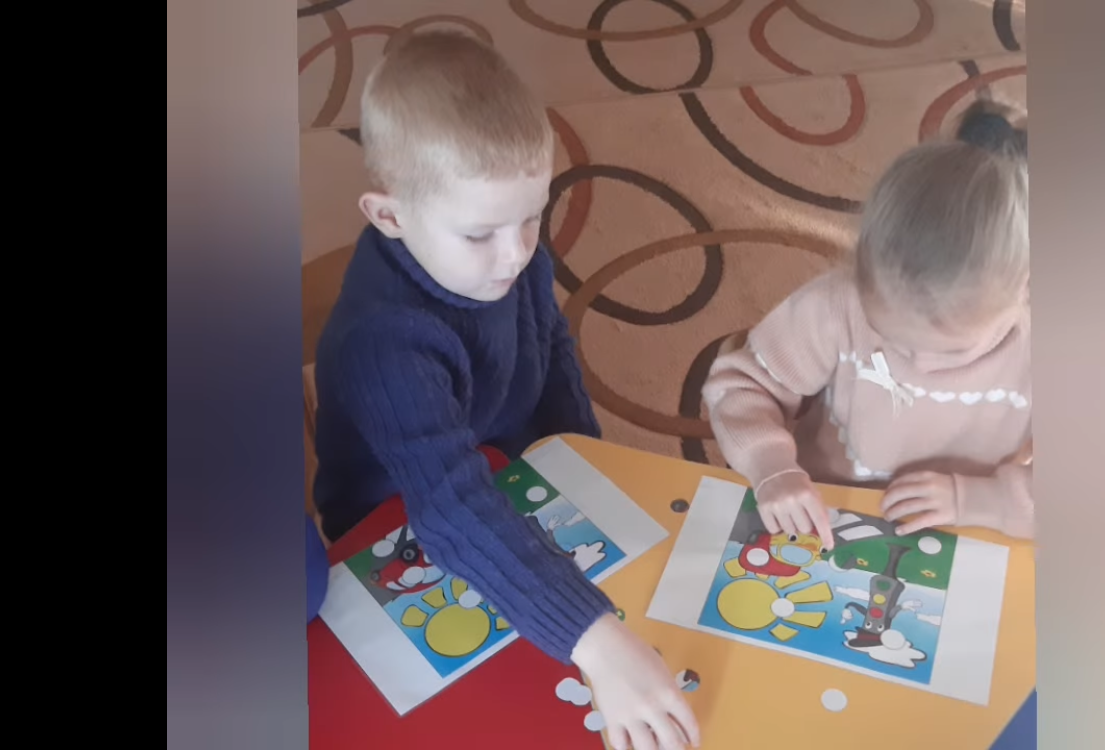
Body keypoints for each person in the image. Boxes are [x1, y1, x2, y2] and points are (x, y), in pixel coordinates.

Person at [311, 31, 699, 750]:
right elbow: (448, 505)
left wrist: (588, 464)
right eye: (480, 234)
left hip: (507, 471)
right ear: (390, 216)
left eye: (532, 217)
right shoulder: (384, 343)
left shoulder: (512, 257)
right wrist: (593, 638)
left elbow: (550, 350)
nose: (517, 254)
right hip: (397, 523)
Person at [702, 99, 1034, 550]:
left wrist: (985, 502)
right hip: (822, 500)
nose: (918, 365)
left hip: (971, 527)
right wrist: (770, 465)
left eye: (952, 350)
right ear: (861, 268)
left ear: (1027, 289)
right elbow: (742, 387)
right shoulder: (837, 305)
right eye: (891, 338)